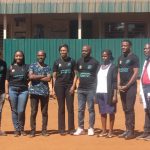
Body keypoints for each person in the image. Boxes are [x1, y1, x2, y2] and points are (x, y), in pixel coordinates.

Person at [73, 45, 99, 136]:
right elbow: (76, 72)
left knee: (91, 109)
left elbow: (97, 77)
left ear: (90, 51)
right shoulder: (79, 61)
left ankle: (91, 128)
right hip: (81, 89)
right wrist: (74, 85)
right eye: (82, 50)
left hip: (91, 89)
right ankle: (80, 128)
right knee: (80, 109)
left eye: (85, 51)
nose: (83, 52)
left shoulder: (95, 62)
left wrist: (96, 91)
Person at [53, 44, 76, 135]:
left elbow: (76, 75)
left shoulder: (72, 61)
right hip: (59, 86)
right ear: (59, 51)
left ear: (67, 51)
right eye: (61, 50)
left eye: (64, 50)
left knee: (70, 108)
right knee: (61, 108)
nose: (63, 52)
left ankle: (71, 129)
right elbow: (54, 76)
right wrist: (54, 87)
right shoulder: (56, 61)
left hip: (69, 86)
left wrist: (73, 86)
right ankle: (61, 129)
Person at [118, 40, 139, 140]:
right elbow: (119, 72)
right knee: (125, 108)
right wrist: (118, 84)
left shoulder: (134, 57)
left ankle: (131, 131)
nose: (123, 47)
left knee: (130, 108)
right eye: (122, 45)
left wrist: (127, 85)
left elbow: (135, 73)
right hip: (122, 87)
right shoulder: (120, 58)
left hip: (130, 87)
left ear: (130, 46)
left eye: (125, 45)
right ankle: (127, 130)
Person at [5, 50, 29, 137]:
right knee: (14, 110)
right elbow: (7, 81)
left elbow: (30, 77)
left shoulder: (26, 67)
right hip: (12, 90)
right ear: (14, 57)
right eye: (17, 56)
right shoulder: (10, 67)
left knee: (21, 110)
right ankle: (17, 130)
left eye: (20, 56)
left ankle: (22, 128)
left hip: (23, 91)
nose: (18, 57)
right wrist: (7, 93)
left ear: (23, 57)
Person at [29, 50, 51, 137]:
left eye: (42, 55)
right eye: (39, 55)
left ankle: (44, 130)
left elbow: (49, 79)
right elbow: (30, 76)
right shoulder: (32, 65)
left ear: (45, 56)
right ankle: (33, 130)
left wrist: (36, 77)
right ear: (37, 56)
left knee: (44, 112)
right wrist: (42, 76)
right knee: (33, 111)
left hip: (44, 92)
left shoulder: (47, 67)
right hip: (34, 92)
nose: (40, 57)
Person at [96, 49, 117, 138]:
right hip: (99, 92)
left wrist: (115, 95)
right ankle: (104, 130)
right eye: (103, 56)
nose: (104, 57)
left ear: (109, 56)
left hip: (109, 93)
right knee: (102, 112)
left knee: (110, 112)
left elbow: (115, 82)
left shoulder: (113, 67)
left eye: (106, 56)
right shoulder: (99, 66)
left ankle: (111, 131)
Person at [136, 43, 150, 140]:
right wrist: (141, 92)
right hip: (145, 87)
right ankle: (146, 132)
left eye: (147, 48)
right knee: (147, 110)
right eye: (144, 49)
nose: (145, 50)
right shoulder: (146, 60)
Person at [0, 51, 7, 136]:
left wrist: (6, 91)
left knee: (0, 111)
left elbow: (6, 78)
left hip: (1, 91)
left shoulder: (3, 63)